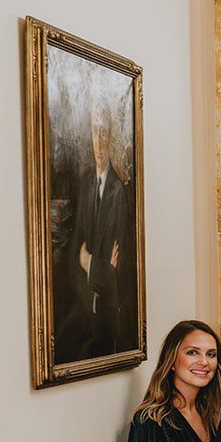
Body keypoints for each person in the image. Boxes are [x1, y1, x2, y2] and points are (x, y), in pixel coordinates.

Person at [72, 102, 137, 358]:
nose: (99, 141)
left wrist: (89, 263)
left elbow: (117, 269)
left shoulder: (118, 191)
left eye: (104, 132)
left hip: (111, 313)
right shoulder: (86, 184)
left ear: (111, 136)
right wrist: (97, 266)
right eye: (94, 131)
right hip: (86, 310)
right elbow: (74, 250)